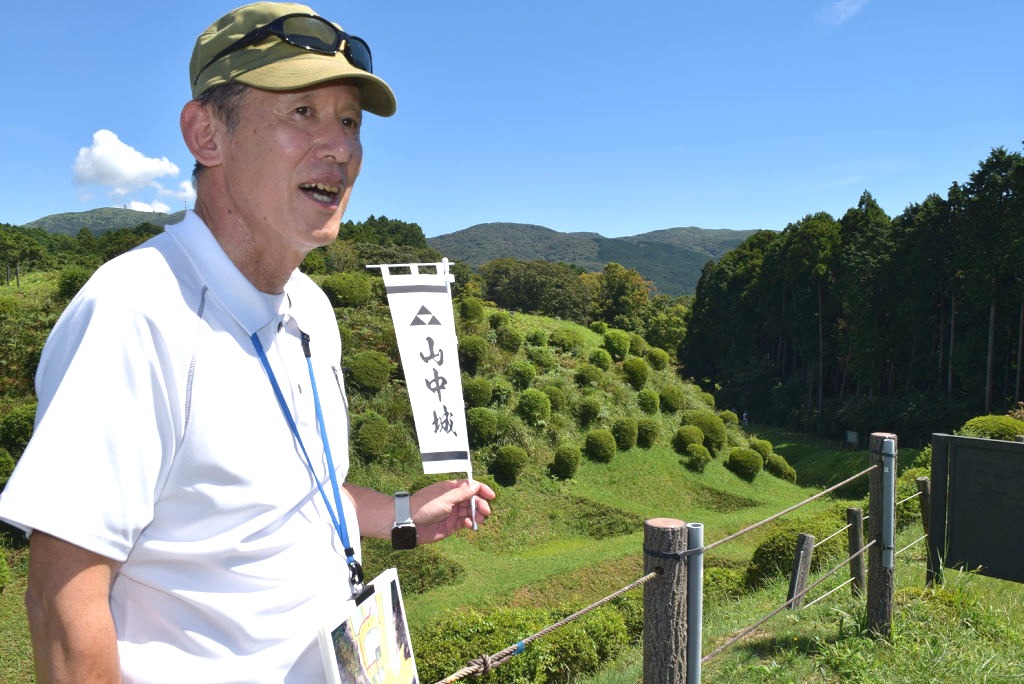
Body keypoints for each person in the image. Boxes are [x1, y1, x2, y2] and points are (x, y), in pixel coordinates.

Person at [0, 3, 494, 681]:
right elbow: (63, 600)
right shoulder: (136, 311)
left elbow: (292, 492)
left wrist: (405, 514)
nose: (341, 148)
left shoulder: (312, 310)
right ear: (207, 134)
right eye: (303, 113)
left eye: (349, 121)